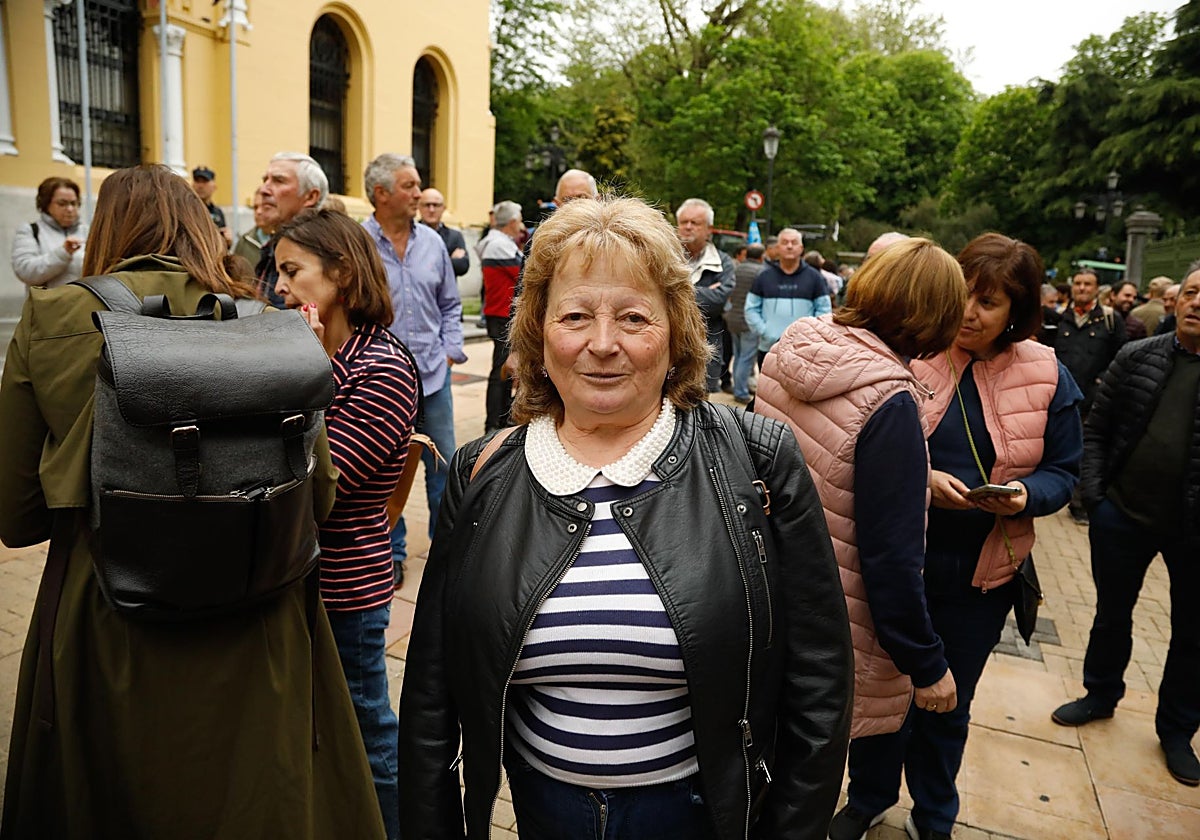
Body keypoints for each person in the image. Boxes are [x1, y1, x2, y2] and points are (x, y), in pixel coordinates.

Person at [398, 196, 853, 840]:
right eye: (575, 316)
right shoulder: (482, 472)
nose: (603, 344)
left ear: (675, 333)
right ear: (538, 331)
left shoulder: (757, 460)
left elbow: (819, 685)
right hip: (544, 814)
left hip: (700, 816)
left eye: (634, 317)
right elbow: (432, 692)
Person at [0, 165, 384, 838]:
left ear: (107, 229)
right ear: (199, 229)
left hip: (109, 614)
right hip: (257, 611)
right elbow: (318, 496)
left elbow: (16, 513)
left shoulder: (52, 317)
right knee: (259, 797)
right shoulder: (269, 324)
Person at [824, 233, 1084, 840]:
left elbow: (1065, 471)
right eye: (963, 294)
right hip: (894, 568)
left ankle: (934, 812)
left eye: (988, 303)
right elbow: (859, 443)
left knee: (947, 700)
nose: (968, 313)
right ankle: (868, 797)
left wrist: (1024, 495)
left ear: (1017, 311)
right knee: (881, 695)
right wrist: (922, 479)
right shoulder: (912, 350)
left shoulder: (1047, 373)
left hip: (980, 575)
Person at [752, 238, 966, 838]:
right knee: (800, 798)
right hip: (833, 626)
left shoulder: (797, 345)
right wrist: (927, 664)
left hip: (768, 595)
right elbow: (892, 561)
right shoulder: (889, 401)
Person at [272, 208, 419, 838]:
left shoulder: (382, 367)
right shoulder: (307, 352)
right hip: (288, 578)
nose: (279, 286)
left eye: (292, 270)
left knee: (366, 731)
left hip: (345, 587)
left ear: (342, 273)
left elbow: (319, 483)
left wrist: (301, 373)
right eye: (277, 272)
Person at [1051, 266, 1200, 789]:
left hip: (1193, 533)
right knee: (1111, 615)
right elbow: (1097, 429)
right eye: (1192, 292)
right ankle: (1099, 694)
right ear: (1177, 300)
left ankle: (1177, 731)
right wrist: (1096, 498)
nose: (1197, 303)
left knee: (1192, 633)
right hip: (1123, 516)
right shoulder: (1138, 355)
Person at [362, 153, 467, 588]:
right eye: (409, 186)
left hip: (433, 377)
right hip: (382, 383)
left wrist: (450, 351)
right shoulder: (358, 244)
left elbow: (450, 304)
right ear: (381, 193)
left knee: (445, 467)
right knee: (386, 472)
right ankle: (393, 553)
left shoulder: (433, 243)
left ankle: (447, 554)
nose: (419, 193)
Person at [1054, 270, 1125, 524]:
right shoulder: (1059, 317)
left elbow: (1121, 356)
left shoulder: (1110, 320)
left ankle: (1079, 502)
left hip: (1092, 400)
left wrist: (1103, 380)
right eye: (1078, 283)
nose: (1082, 288)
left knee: (1084, 450)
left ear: (1097, 288)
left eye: (1088, 284)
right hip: (1058, 397)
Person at [744, 227, 832, 366]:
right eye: (785, 242)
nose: (789, 246)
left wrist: (810, 336)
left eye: (794, 242)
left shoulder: (815, 278)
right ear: (777, 248)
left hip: (804, 351)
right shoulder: (763, 276)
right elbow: (751, 308)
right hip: (769, 348)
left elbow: (824, 311)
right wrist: (765, 331)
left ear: (801, 248)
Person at [676, 197, 735, 392]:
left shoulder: (723, 262)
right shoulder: (665, 256)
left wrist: (677, 293)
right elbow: (656, 296)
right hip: (670, 347)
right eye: (684, 222)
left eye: (695, 223)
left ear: (709, 229)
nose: (688, 227)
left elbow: (719, 301)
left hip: (706, 348)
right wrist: (705, 292)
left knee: (700, 401)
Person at [255, 151, 328, 307]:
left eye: (278, 181)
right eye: (265, 180)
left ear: (310, 196)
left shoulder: (325, 252)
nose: (263, 190)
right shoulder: (270, 249)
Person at [480, 200, 524, 431]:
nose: (522, 226)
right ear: (513, 222)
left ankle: (499, 419)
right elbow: (525, 273)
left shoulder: (496, 242)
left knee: (503, 369)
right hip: (502, 314)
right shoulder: (499, 244)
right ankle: (494, 423)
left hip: (499, 313)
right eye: (520, 220)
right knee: (501, 370)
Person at [11, 176, 87, 289]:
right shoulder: (30, 231)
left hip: (84, 300)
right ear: (46, 205)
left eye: (73, 203)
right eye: (62, 204)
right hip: (51, 300)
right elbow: (26, 272)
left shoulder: (87, 231)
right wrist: (63, 253)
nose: (70, 209)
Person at [724, 242, 765, 403]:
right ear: (761, 256)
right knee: (746, 358)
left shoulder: (737, 268)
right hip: (748, 320)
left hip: (733, 318)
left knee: (738, 355)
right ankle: (741, 392)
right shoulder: (761, 272)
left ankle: (739, 387)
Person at [418, 187, 470, 277]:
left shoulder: (454, 236)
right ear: (419, 207)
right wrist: (449, 261)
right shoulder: (409, 234)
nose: (431, 210)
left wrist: (426, 263)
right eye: (427, 205)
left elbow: (462, 267)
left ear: (443, 208)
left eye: (436, 205)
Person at [191, 165, 233, 249]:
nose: (200, 186)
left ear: (214, 186)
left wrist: (227, 242)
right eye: (197, 181)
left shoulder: (217, 212)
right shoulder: (187, 210)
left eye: (205, 181)